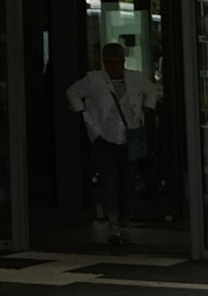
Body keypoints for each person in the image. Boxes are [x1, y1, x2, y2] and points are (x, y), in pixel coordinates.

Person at [66, 41, 161, 246]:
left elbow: (152, 90)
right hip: (105, 137)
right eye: (110, 62)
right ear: (104, 62)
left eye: (118, 62)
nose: (115, 67)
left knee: (128, 182)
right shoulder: (94, 79)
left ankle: (124, 224)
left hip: (129, 136)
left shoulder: (134, 78)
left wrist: (146, 110)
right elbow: (73, 92)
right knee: (109, 181)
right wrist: (83, 113)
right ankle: (114, 224)